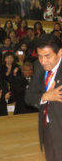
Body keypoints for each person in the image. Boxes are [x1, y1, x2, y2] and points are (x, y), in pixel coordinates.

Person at [25, 33, 62, 161]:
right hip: (47, 128)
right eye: (40, 56)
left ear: (60, 52)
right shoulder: (39, 67)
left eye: (47, 56)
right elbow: (29, 97)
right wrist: (45, 96)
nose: (43, 61)